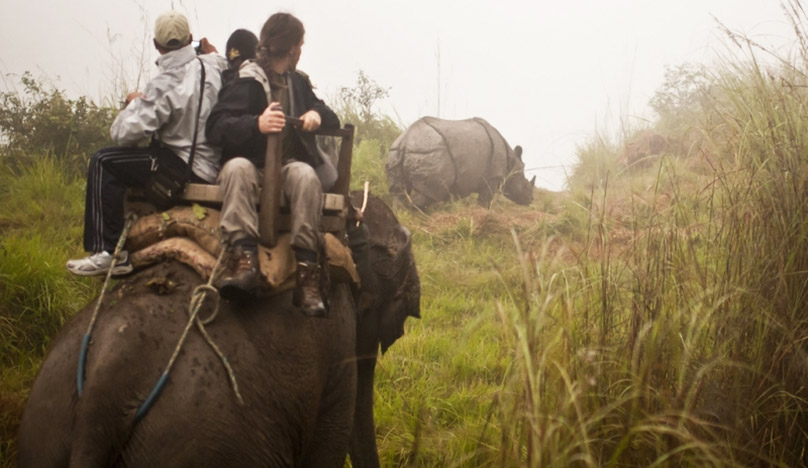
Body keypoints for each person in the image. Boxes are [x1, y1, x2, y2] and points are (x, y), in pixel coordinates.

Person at [66, 11, 227, 277]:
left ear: (156, 45)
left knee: (104, 160)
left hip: (185, 167)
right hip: (215, 165)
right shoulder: (214, 64)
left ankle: (107, 252)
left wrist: (137, 102)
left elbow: (121, 134)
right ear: (190, 39)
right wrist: (210, 53)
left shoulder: (164, 83)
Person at [206, 13, 340, 316]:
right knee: (238, 169)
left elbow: (327, 113)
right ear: (292, 48)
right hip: (249, 164)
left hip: (286, 166)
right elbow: (216, 127)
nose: (301, 51)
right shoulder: (247, 79)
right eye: (301, 45)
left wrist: (315, 115)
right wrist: (257, 123)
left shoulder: (297, 82)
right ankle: (244, 261)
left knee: (306, 175)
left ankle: (307, 274)